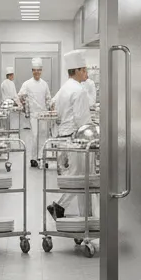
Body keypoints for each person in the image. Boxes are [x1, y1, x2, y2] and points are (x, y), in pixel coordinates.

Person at [48, 50, 95, 219]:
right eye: (84, 70)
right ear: (77, 71)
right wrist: (93, 134)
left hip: (64, 137)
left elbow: (57, 110)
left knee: (80, 177)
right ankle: (62, 207)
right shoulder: (79, 90)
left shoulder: (64, 88)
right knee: (83, 178)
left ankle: (84, 215)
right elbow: (82, 120)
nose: (86, 73)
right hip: (76, 139)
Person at [18, 57, 51, 168]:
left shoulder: (44, 84)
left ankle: (42, 157)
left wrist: (51, 108)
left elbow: (48, 98)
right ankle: (33, 158)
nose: (37, 72)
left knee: (43, 136)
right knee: (35, 135)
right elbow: (20, 96)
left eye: (39, 70)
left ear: (41, 71)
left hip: (43, 114)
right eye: (35, 70)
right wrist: (24, 105)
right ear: (32, 71)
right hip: (33, 114)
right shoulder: (27, 84)